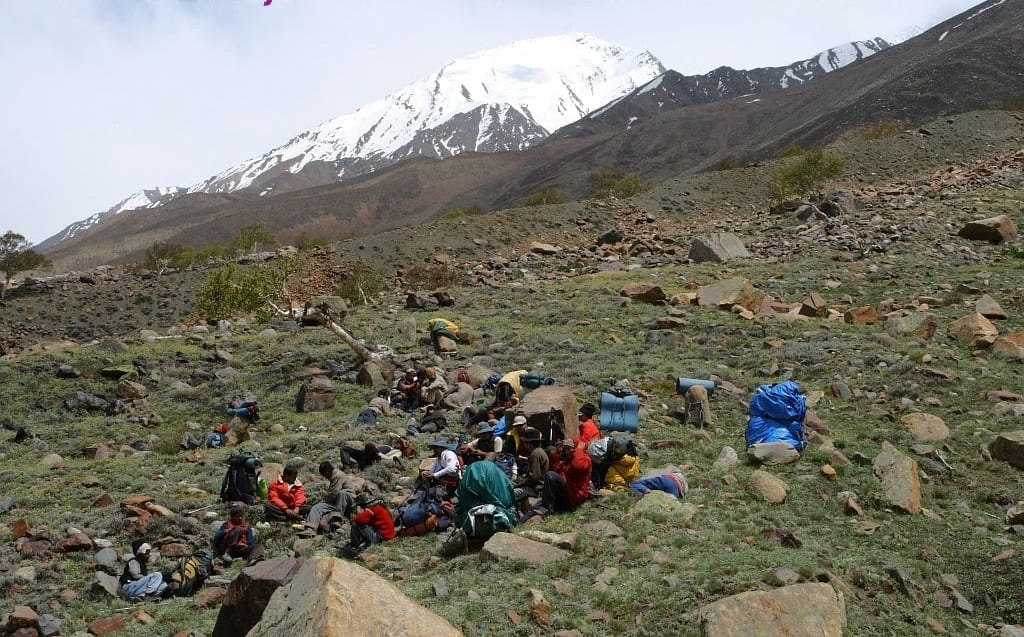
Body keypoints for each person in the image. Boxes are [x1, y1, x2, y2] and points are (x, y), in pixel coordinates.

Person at [521, 439, 591, 522]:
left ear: (574, 449)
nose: (565, 451)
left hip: (574, 497)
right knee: (535, 508)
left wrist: (579, 450)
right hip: (566, 494)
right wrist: (558, 451)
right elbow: (555, 467)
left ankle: (547, 510)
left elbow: (577, 466)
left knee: (550, 475)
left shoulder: (584, 459)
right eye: (564, 449)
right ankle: (520, 523)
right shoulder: (566, 462)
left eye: (568, 449)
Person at [300, 461, 355, 537]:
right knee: (317, 507)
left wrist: (326, 500)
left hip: (347, 500)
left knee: (342, 493)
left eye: (325, 475)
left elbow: (334, 493)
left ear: (327, 472)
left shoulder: (338, 476)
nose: (325, 477)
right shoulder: (333, 476)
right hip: (336, 502)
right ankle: (310, 528)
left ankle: (337, 519)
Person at [340, 492, 395, 558]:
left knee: (356, 523)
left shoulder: (371, 508)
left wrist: (355, 516)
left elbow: (359, 519)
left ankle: (354, 546)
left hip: (381, 537)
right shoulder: (380, 505)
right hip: (387, 535)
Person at [513, 428, 548, 512]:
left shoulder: (535, 454)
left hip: (536, 489)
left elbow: (534, 478)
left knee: (511, 493)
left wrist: (518, 485)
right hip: (534, 486)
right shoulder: (538, 451)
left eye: (525, 442)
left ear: (529, 443)